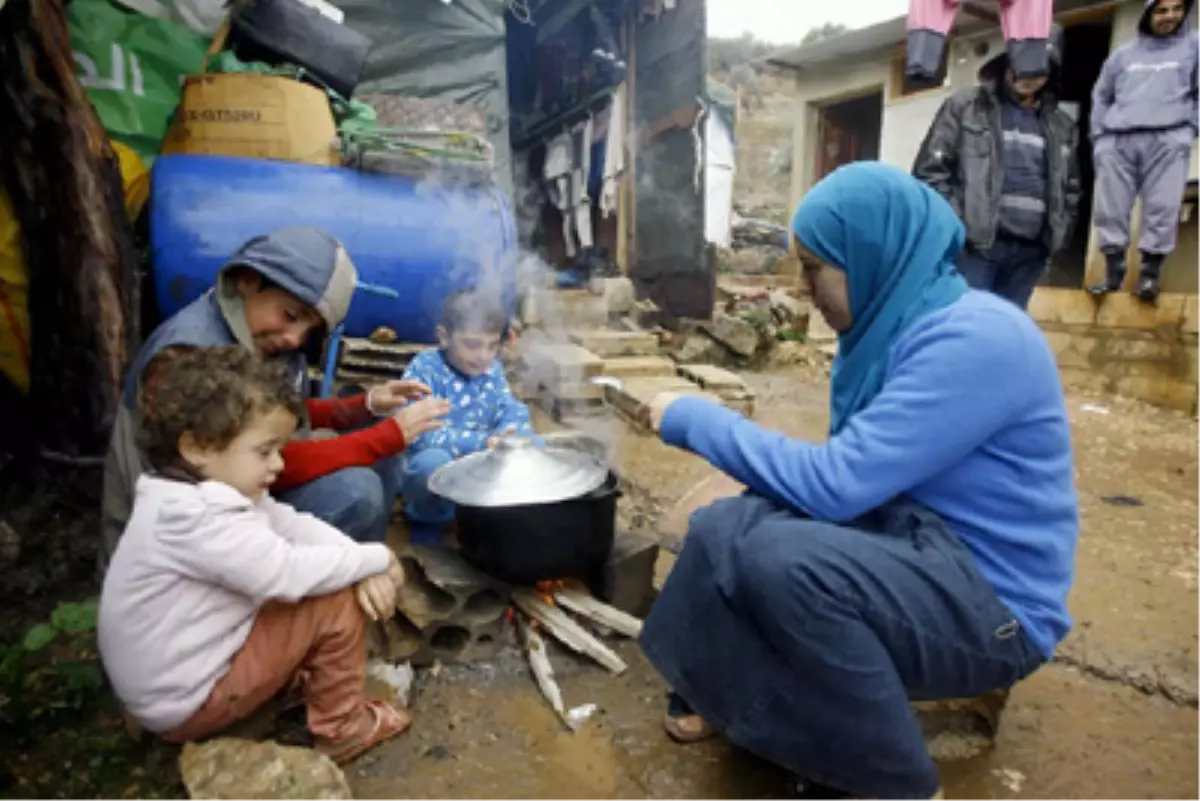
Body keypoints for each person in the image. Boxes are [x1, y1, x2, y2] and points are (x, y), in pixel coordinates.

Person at [640, 163, 1079, 801]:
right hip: (916, 545)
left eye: (815, 267)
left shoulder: (977, 340)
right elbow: (857, 477)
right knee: (727, 521)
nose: (801, 288)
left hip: (992, 601)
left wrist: (697, 419)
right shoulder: (891, 328)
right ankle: (721, 691)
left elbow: (836, 485)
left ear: (872, 252)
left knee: (785, 561)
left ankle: (894, 781)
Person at [99, 347, 410, 762]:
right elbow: (286, 573)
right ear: (196, 448)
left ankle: (286, 684)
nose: (279, 464)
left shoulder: (189, 493)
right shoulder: (196, 517)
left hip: (169, 683)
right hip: (186, 700)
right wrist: (377, 560)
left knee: (328, 575)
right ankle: (343, 730)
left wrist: (360, 556)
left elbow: (289, 522)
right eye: (264, 451)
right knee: (333, 601)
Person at [101, 226, 450, 569]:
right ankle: (303, 603)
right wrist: (386, 437)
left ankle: (358, 575)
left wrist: (364, 405)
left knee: (379, 441)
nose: (295, 338)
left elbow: (274, 418)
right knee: (356, 490)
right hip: (181, 542)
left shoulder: (247, 330)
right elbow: (268, 462)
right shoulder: (190, 353)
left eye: (308, 329)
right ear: (248, 280)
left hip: (237, 491)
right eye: (290, 316)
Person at [913, 25, 1080, 310]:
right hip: (976, 250)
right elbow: (929, 174)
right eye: (1022, 65)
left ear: (1050, 73)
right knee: (965, 326)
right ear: (1008, 61)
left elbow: (1071, 189)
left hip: (1030, 254)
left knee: (1006, 333)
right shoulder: (965, 106)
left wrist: (1057, 236)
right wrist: (959, 226)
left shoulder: (1062, 126)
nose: (1028, 78)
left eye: (1038, 70)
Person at [397, 288, 535, 543]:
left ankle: (498, 517)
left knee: (536, 446)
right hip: (440, 464)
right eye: (472, 345)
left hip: (480, 464)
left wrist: (514, 434)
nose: (484, 356)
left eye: (492, 346)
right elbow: (421, 433)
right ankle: (427, 518)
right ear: (444, 337)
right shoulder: (426, 369)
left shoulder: (491, 370)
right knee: (431, 462)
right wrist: (482, 442)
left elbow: (510, 408)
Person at [1089, 0, 1198, 303]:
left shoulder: (1195, 45)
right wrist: (1100, 137)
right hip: (1118, 137)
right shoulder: (1123, 54)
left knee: (1163, 206)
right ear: (1149, 13)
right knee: (1110, 207)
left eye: (1177, 9)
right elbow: (1101, 95)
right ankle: (1113, 272)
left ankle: (1150, 275)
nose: (1170, 16)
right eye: (1162, 10)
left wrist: (1189, 130)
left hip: (1168, 136)